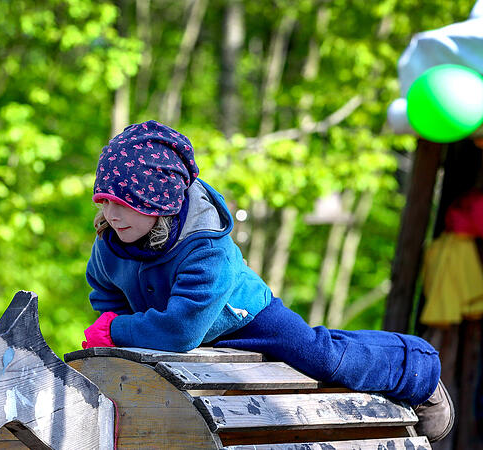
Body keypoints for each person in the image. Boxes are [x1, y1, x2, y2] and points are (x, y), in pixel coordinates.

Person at [81, 119, 454, 442]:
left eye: (125, 203)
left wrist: (118, 330)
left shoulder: (208, 248)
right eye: (104, 202)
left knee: (320, 357)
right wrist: (116, 331)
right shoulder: (111, 244)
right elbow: (106, 294)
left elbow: (180, 330)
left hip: (243, 316)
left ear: (160, 202)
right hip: (170, 327)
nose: (112, 214)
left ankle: (416, 370)